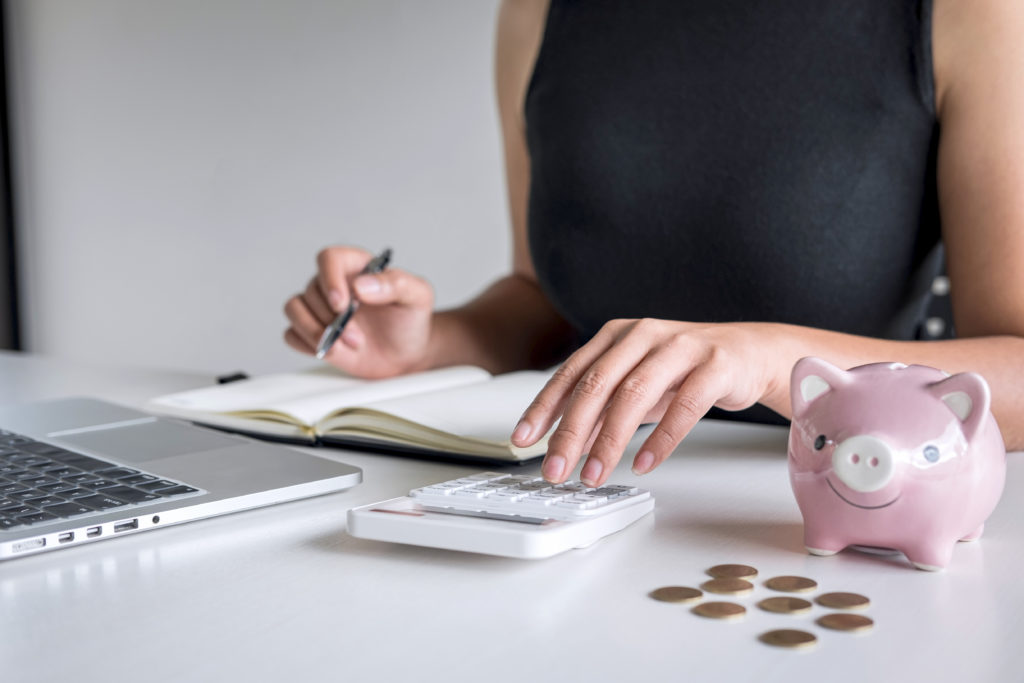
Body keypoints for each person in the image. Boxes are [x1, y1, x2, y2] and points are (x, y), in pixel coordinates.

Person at [284, 0, 1024, 488]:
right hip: (567, 501)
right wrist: (433, 342)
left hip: (822, 510)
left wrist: (768, 362)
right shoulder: (539, 12)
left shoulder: (967, 13)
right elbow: (547, 295)